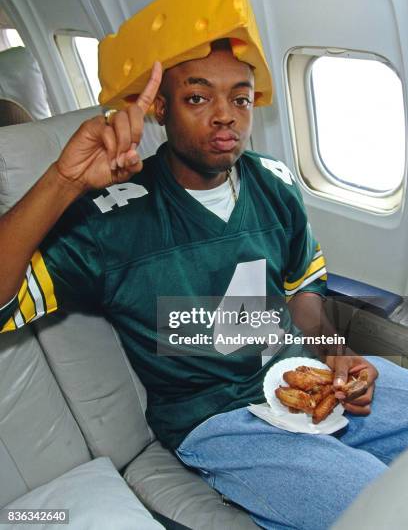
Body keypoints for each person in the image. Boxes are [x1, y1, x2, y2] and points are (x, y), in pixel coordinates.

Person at [1, 39, 408, 530]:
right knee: (379, 507)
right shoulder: (112, 218)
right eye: (198, 98)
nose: (225, 116)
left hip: (305, 378)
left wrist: (334, 349)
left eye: (240, 98)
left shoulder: (274, 184)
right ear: (159, 108)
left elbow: (302, 291)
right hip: (219, 418)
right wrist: (64, 181)